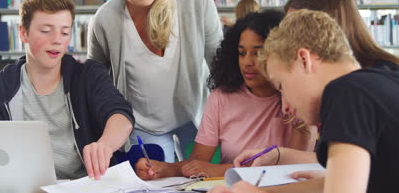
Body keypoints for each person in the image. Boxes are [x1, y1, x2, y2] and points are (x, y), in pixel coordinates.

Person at [210, 9, 399, 193]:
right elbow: (349, 182)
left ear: (304, 60)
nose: (285, 106)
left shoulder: (346, 92)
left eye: (282, 87)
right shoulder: (396, 75)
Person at [87, 0, 223, 162]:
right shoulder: (105, 19)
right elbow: (94, 83)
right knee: (157, 183)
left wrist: (233, 118)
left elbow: (219, 61)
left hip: (196, 116)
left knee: (203, 180)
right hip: (143, 126)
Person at [135, 10, 317, 179]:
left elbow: (293, 170)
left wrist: (221, 170)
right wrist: (164, 169)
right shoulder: (221, 98)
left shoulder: (297, 99)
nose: (247, 62)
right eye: (241, 53)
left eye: (258, 53)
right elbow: (198, 162)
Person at [0, 0, 135, 180]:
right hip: (27, 188)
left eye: (64, 32)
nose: (56, 40)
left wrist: (105, 144)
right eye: (46, 31)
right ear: (23, 33)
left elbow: (121, 115)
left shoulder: (88, 75)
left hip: (86, 185)